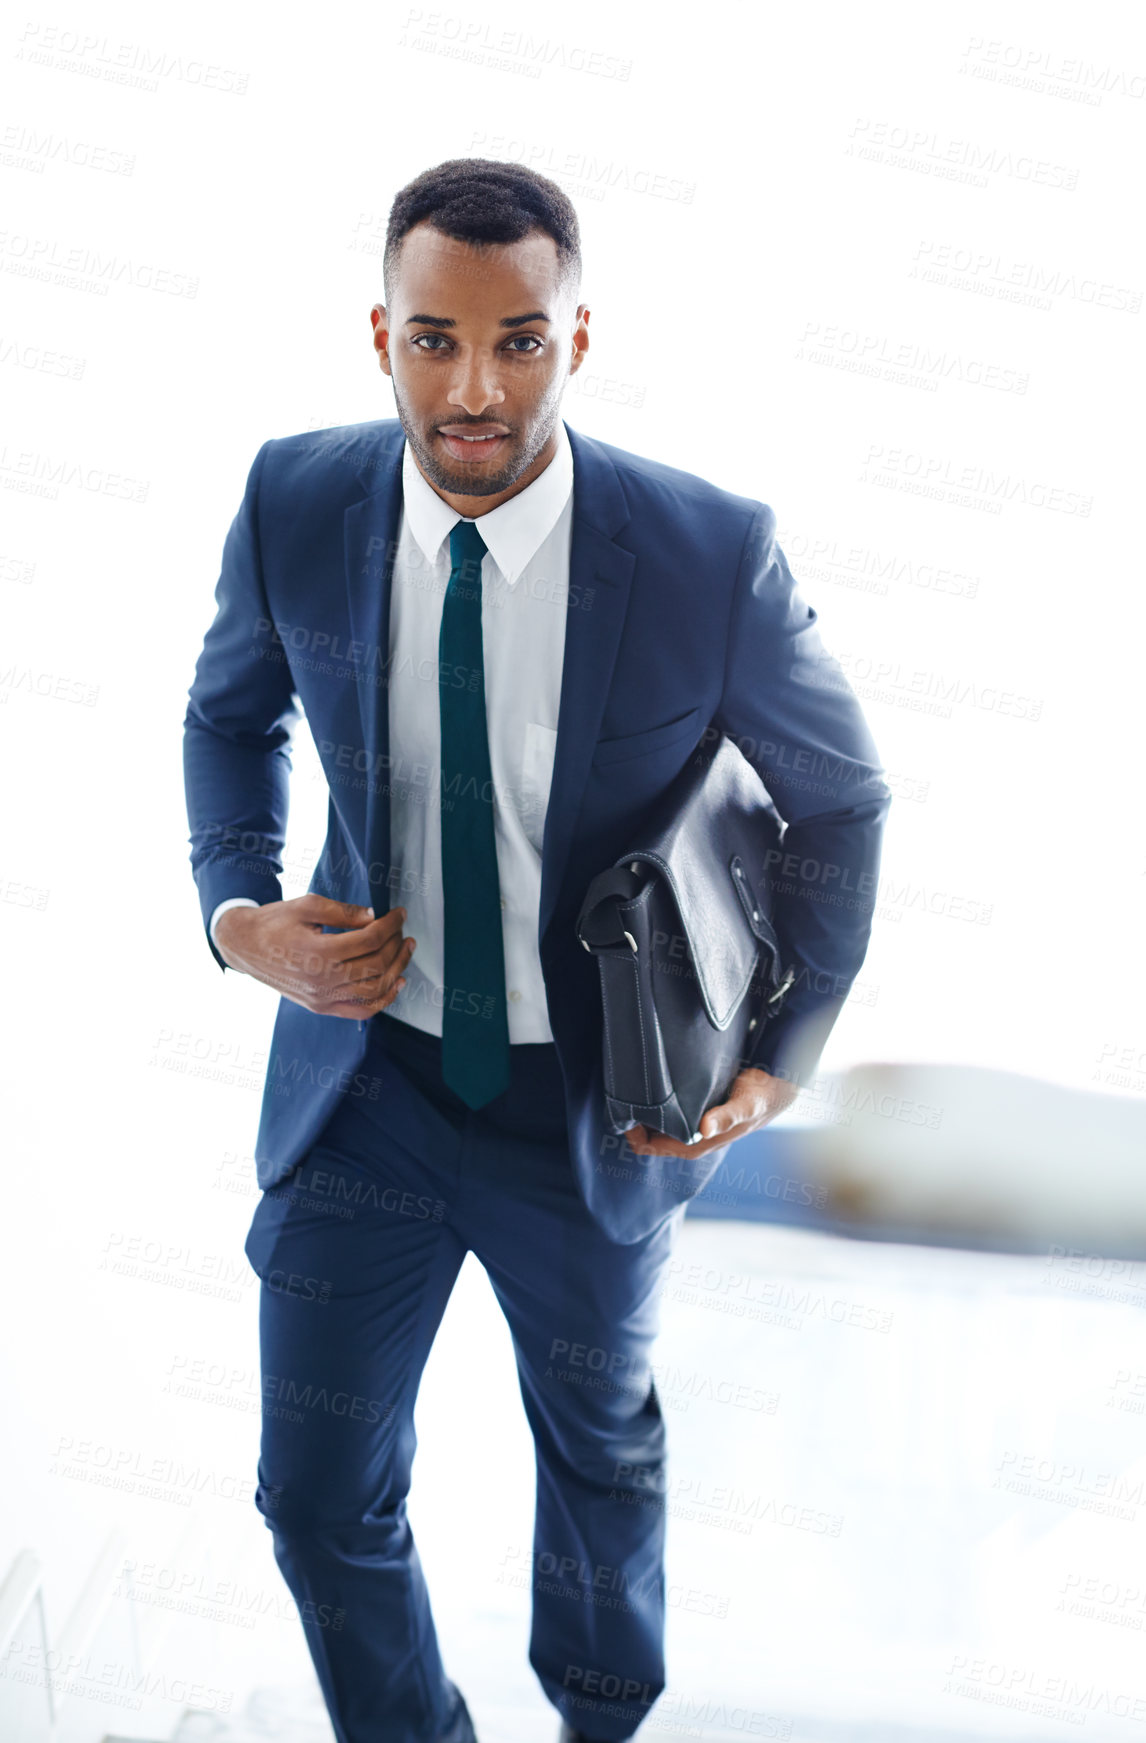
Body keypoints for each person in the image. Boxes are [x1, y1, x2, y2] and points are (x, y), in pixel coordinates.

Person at [183, 157, 891, 1743]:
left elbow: (840, 797)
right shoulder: (296, 498)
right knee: (312, 1493)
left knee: (599, 1462)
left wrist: (789, 1047)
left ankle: (594, 1724)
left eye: (520, 342)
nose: (475, 386)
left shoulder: (706, 552)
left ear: (578, 339)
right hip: (365, 1093)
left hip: (591, 1109)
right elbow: (229, 717)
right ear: (381, 334)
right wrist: (242, 919)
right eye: (435, 339)